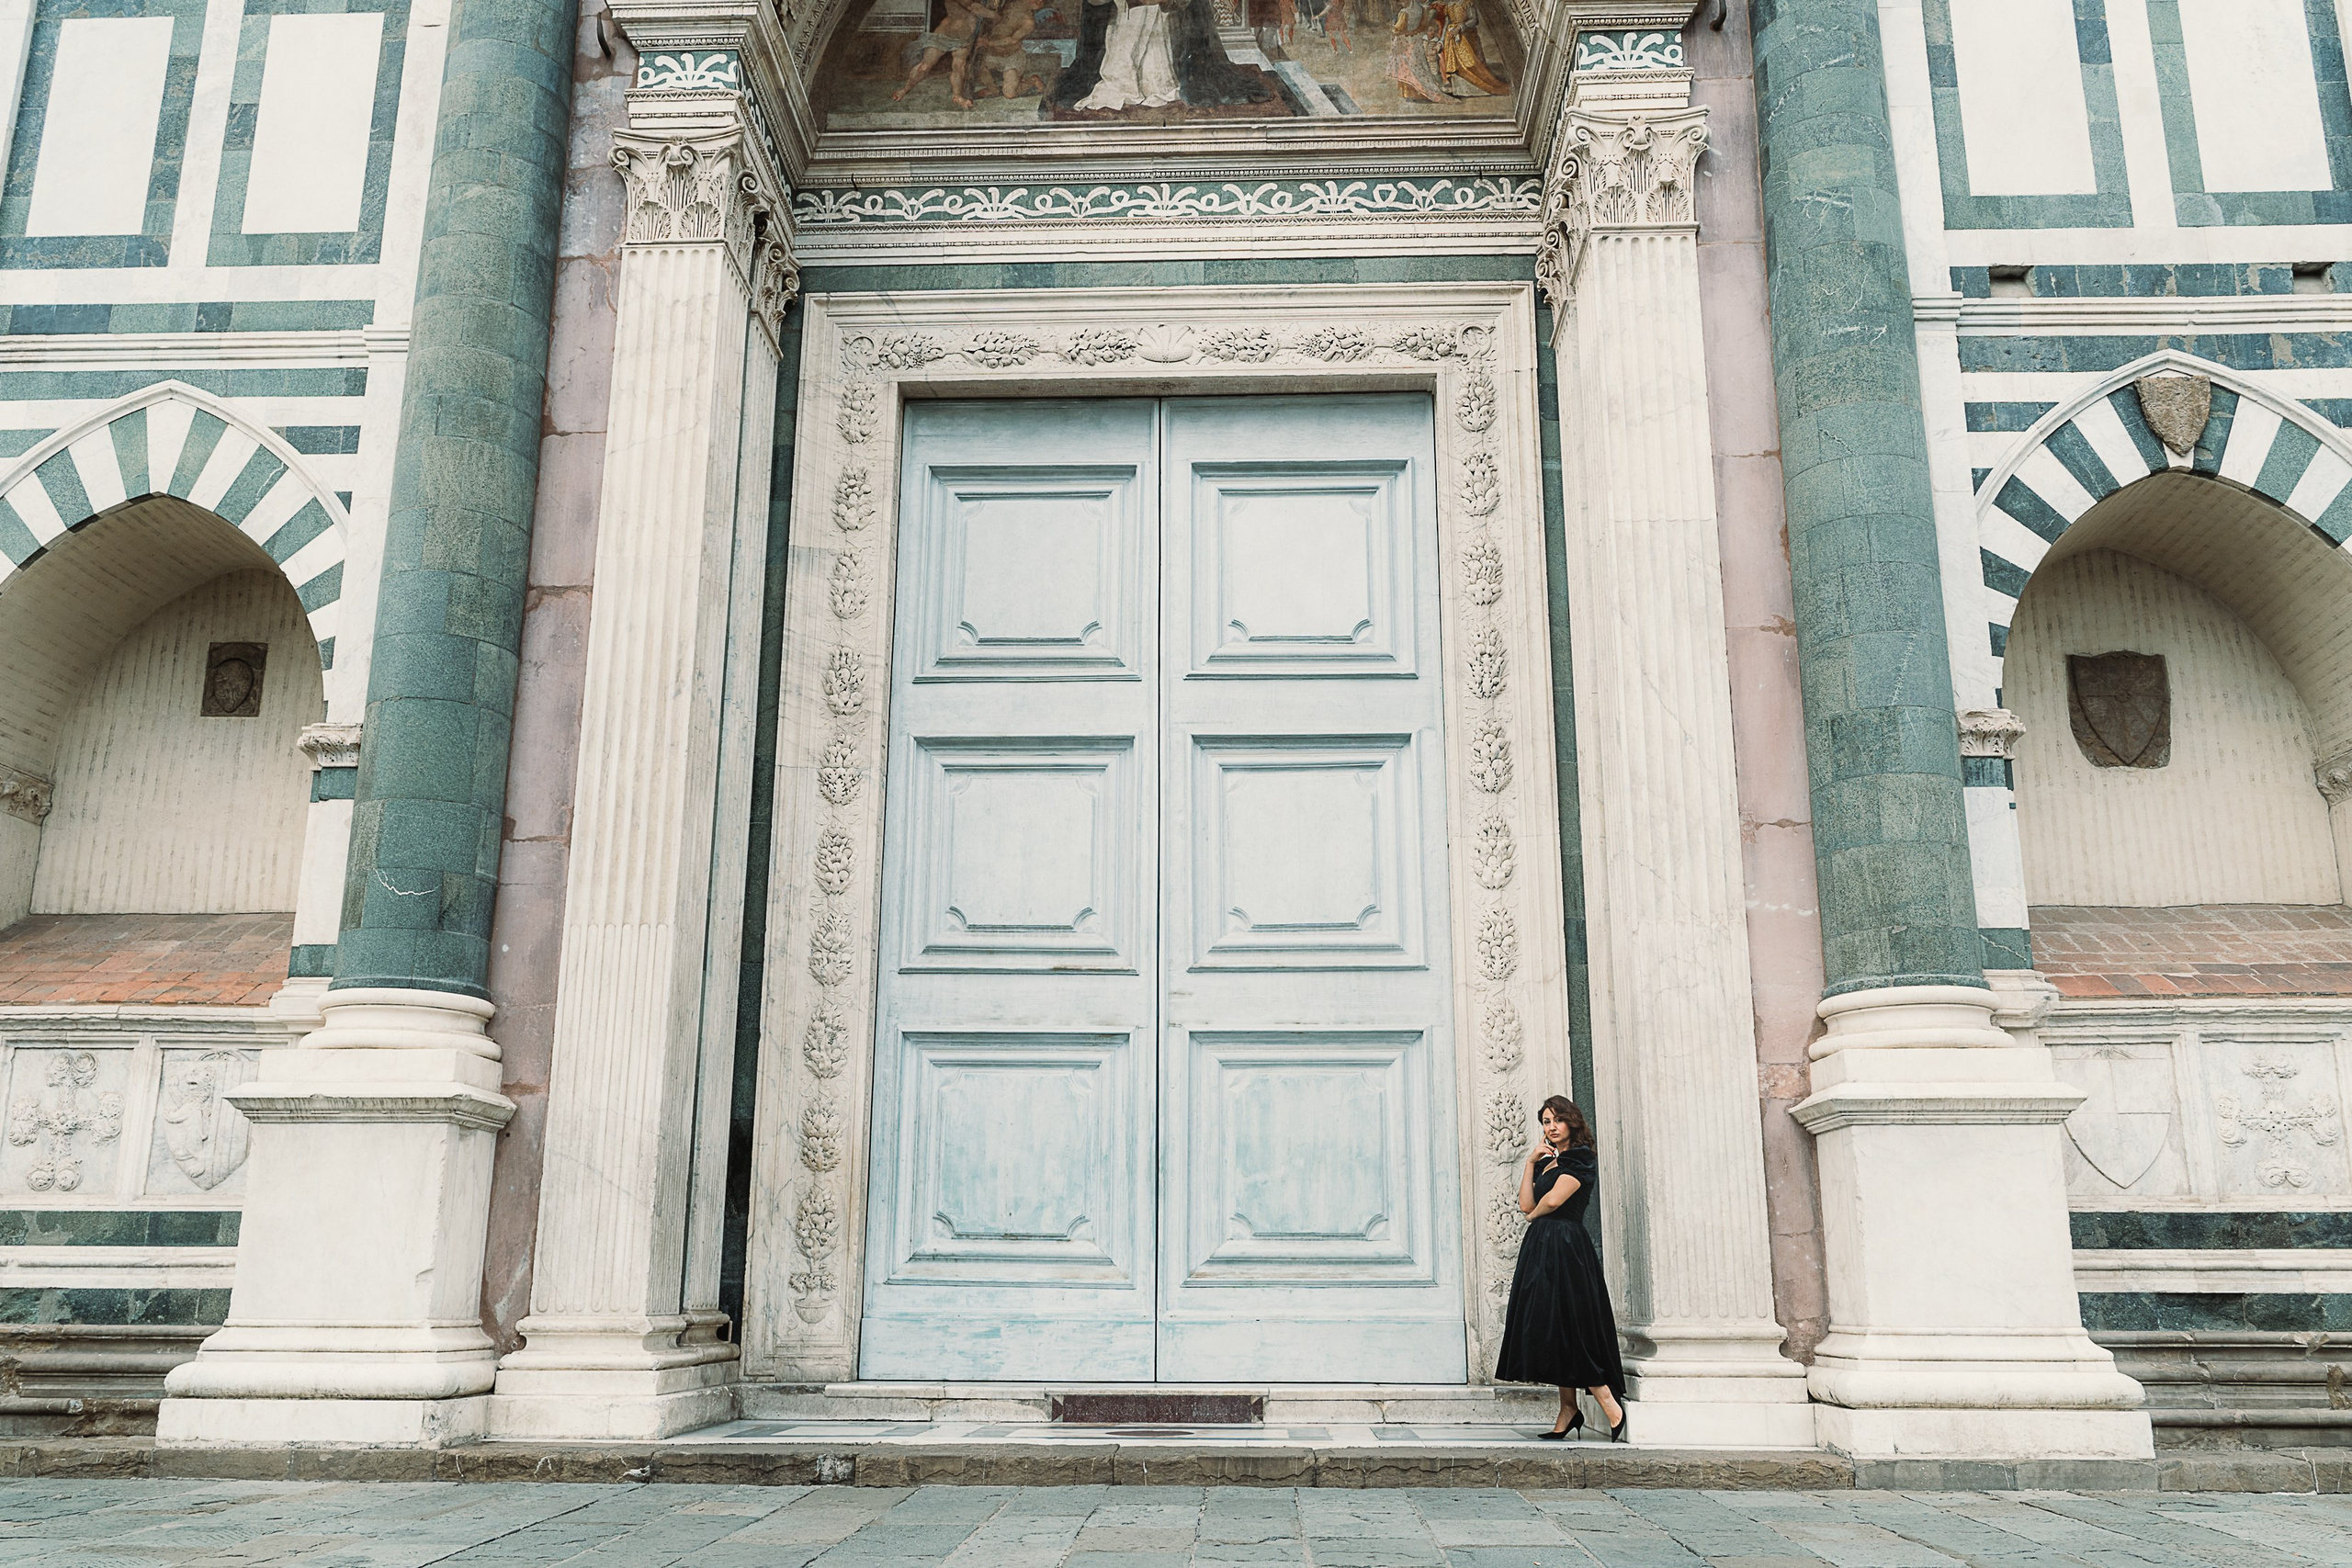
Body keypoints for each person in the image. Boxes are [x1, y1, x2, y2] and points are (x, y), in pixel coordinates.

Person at [1494, 1093, 1629, 1441]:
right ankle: (1568, 1408)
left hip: (1567, 1246)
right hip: (1541, 1248)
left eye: (1557, 1120)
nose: (1551, 1127)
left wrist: (1534, 1214)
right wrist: (1529, 1163)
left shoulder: (1581, 1159)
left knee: (1571, 1322)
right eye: (1546, 1122)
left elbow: (1551, 1201)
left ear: (1572, 1122)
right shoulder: (1545, 1163)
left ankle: (1606, 1399)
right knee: (1550, 1322)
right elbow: (1526, 1201)